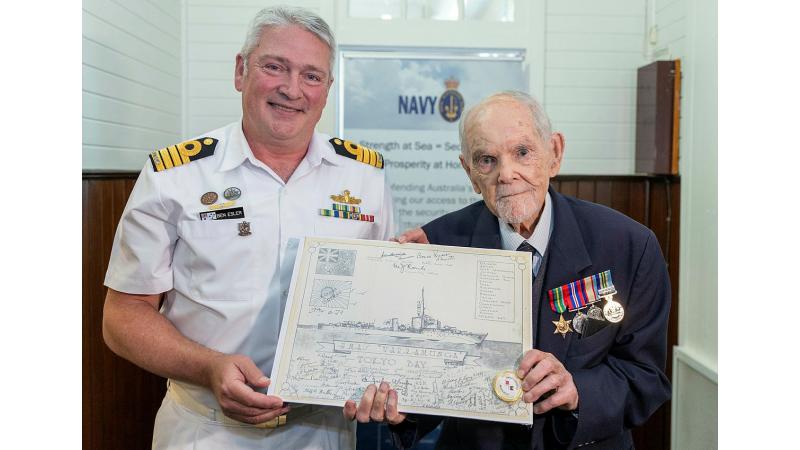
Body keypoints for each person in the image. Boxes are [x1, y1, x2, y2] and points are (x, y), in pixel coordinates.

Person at [102, 6, 394, 449]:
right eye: (274, 67)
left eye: (311, 76)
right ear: (241, 71)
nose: (292, 89)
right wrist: (208, 367)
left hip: (325, 432)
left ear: (328, 89)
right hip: (205, 432)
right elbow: (123, 315)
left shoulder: (365, 178)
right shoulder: (174, 176)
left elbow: (384, 304)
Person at [347, 91, 671, 449]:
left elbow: (646, 377)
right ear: (470, 173)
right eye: (487, 160)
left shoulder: (628, 245)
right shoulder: (438, 245)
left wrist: (578, 390)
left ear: (555, 153)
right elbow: (429, 375)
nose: (506, 174)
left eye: (522, 152)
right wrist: (400, 407)